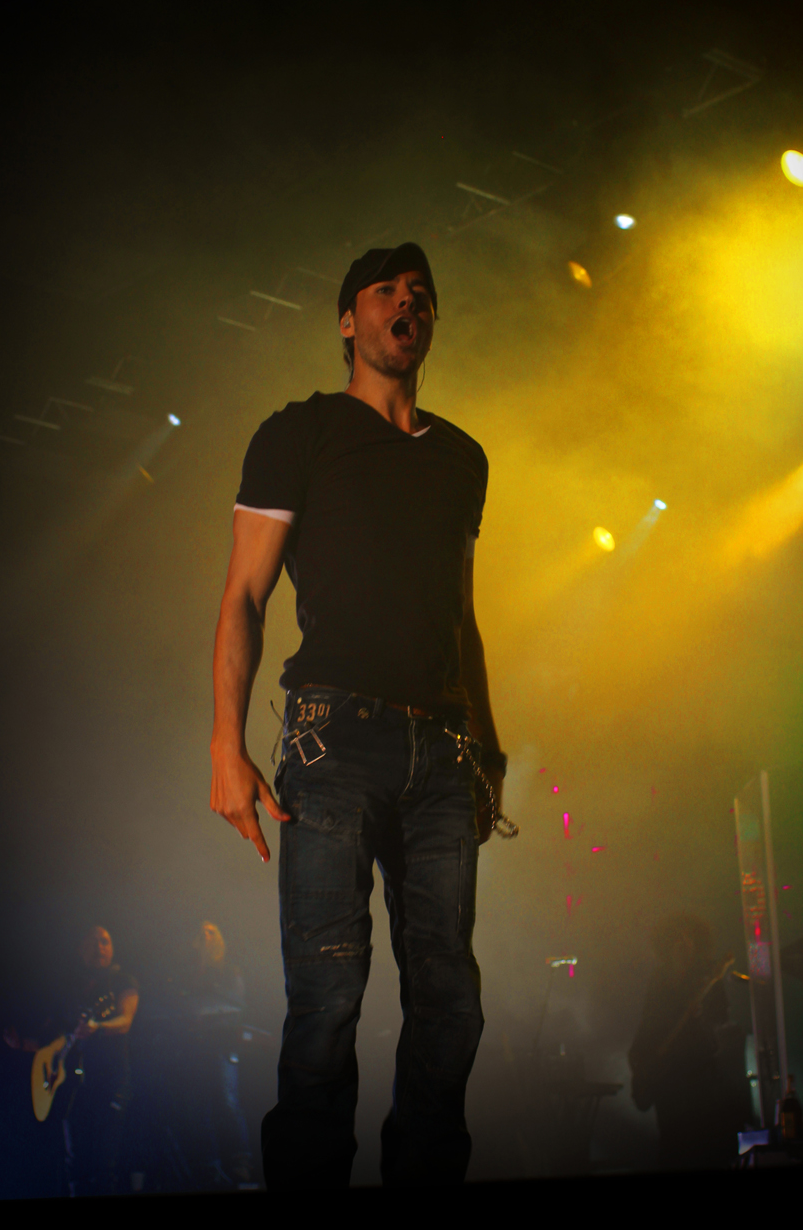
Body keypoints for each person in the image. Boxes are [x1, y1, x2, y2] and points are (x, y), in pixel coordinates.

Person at [209, 242, 510, 1188]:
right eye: (385, 291)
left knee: (450, 1005)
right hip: (331, 740)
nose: (404, 303)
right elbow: (244, 595)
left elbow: (461, 614)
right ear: (349, 321)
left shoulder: (462, 458)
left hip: (444, 751)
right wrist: (225, 741)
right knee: (328, 998)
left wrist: (491, 745)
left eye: (420, 293)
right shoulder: (299, 433)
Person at [5, 925, 139, 1196]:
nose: (100, 947)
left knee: (104, 1164)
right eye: (93, 942)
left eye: (105, 941)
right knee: (75, 1165)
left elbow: (125, 1020)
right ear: (80, 950)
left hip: (110, 1082)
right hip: (75, 1088)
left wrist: (97, 1027)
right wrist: (21, 1044)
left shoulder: (122, 981)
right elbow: (54, 1040)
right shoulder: (70, 989)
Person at [628, 913, 743, 1170]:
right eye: (677, 937)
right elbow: (648, 1023)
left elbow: (721, 1021)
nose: (683, 941)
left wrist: (701, 1018)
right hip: (668, 1079)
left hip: (699, 1076)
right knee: (673, 1145)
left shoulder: (708, 973)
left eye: (688, 936)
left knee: (703, 1145)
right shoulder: (659, 978)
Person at [178, 921, 256, 1186]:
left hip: (222, 1044)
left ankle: (240, 1160)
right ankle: (208, 1164)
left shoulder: (229, 970)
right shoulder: (187, 972)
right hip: (194, 1047)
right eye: (201, 932)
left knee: (226, 1100)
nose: (205, 936)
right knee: (198, 1105)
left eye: (210, 932)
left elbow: (237, 1005)